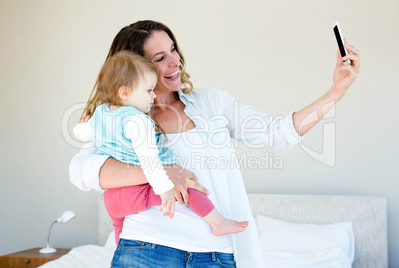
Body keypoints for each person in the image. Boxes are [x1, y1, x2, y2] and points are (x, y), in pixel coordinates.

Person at [69, 20, 360, 267]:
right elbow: (83, 170)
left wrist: (335, 92)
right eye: (159, 58)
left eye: (173, 49)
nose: (175, 61)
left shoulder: (212, 103)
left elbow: (279, 132)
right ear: (135, 68)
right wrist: (157, 173)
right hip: (147, 248)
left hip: (214, 255)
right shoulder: (120, 119)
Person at [73, 51, 249, 245]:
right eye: (148, 90)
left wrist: (80, 127)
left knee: (120, 232)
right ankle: (218, 222)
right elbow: (150, 161)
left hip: (114, 199)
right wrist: (165, 188)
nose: (154, 95)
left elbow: (83, 133)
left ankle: (118, 249)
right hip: (142, 189)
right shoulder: (139, 121)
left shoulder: (101, 113)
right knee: (188, 187)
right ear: (124, 93)